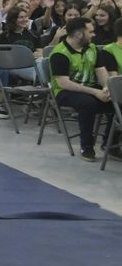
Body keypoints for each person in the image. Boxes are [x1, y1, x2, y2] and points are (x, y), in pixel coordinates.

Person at [47, 15, 112, 160]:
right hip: (65, 92)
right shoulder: (59, 53)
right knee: (87, 103)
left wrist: (107, 88)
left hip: (88, 87)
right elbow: (64, 83)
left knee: (116, 99)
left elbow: (101, 71)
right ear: (78, 34)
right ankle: (87, 146)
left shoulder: (92, 48)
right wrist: (95, 92)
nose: (93, 35)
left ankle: (110, 143)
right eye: (90, 32)